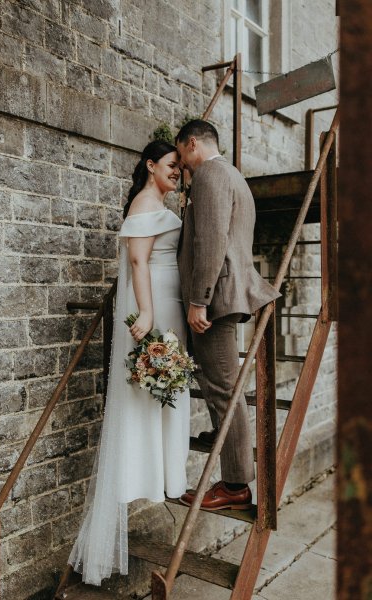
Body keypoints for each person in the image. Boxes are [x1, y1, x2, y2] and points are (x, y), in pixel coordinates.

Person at [68, 140, 190, 585]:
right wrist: (149, 313)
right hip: (154, 300)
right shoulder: (144, 202)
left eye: (180, 165)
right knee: (148, 389)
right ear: (150, 164)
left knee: (165, 388)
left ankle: (167, 475)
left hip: (168, 300)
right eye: (172, 165)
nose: (177, 172)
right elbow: (138, 261)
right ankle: (150, 474)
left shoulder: (159, 200)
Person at [175, 119, 281, 511]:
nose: (183, 166)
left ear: (192, 144)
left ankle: (235, 484)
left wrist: (199, 299)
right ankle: (226, 439)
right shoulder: (234, 175)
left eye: (182, 155)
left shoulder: (209, 175)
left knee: (223, 387)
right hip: (225, 294)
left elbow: (212, 238)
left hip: (215, 298)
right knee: (220, 382)